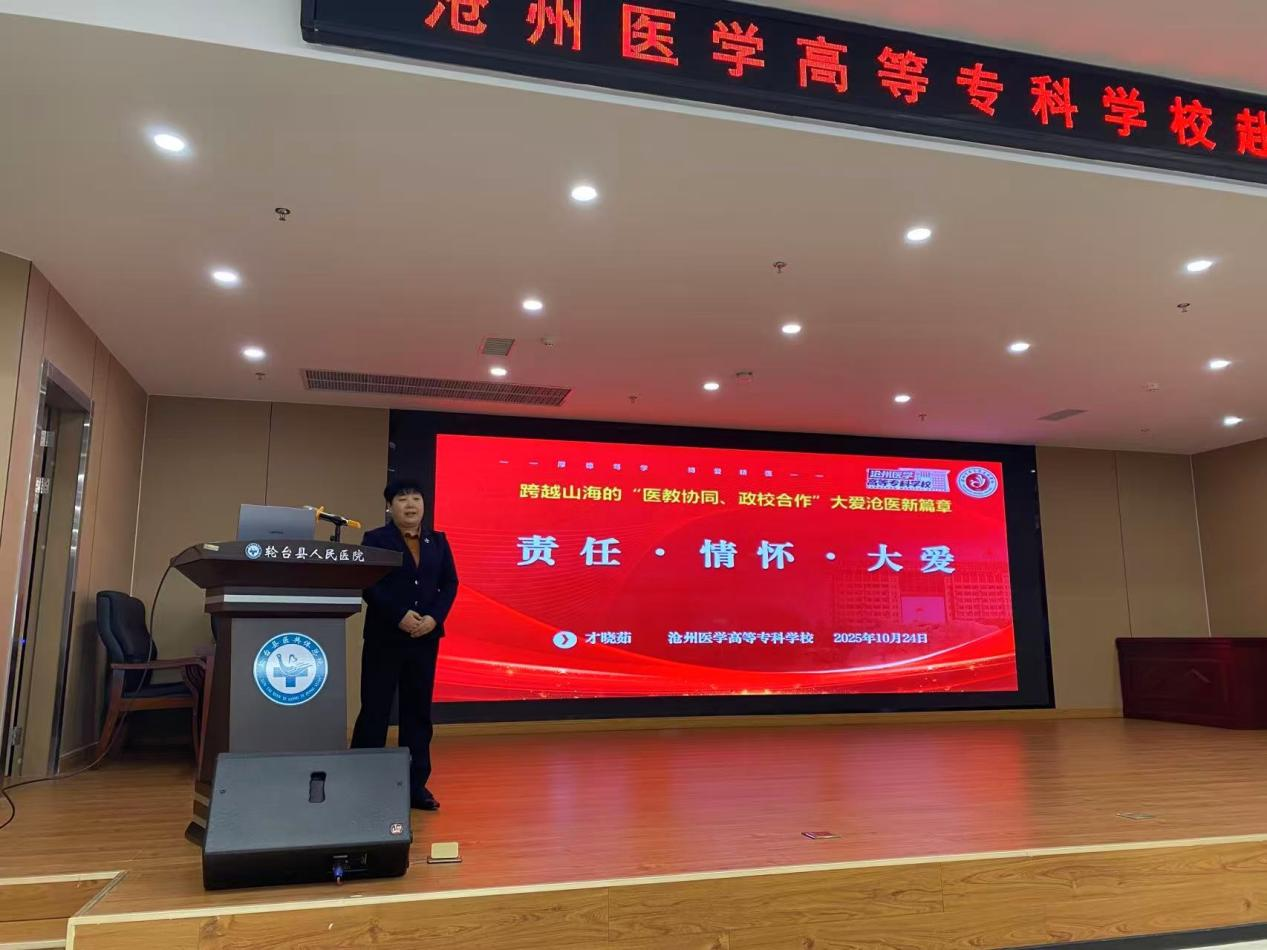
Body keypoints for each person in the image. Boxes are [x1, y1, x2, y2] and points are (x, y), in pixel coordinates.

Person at [351, 477, 458, 811]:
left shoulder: (437, 541)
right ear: (389, 506)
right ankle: (362, 783)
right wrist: (398, 615)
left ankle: (415, 786)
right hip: (385, 636)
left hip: (424, 638)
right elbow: (368, 584)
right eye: (401, 499)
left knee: (418, 713)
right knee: (375, 710)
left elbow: (450, 584)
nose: (410, 505)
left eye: (416, 498)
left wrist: (434, 618)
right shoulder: (375, 539)